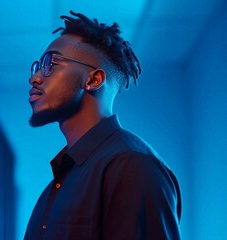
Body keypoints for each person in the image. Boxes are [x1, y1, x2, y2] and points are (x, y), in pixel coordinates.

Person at [24, 10, 181, 239]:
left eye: (50, 64)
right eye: (38, 66)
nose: (35, 77)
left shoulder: (132, 165)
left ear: (93, 80)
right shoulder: (58, 184)